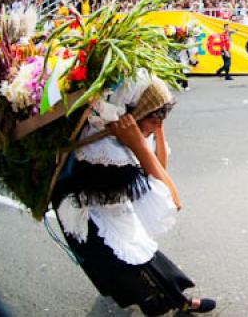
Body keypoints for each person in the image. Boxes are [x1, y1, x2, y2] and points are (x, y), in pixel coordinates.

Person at [53, 75, 216, 315]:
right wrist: (138, 144)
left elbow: (160, 164)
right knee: (138, 267)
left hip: (106, 215)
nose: (158, 125)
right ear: (133, 114)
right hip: (93, 223)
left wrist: (153, 132)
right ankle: (179, 303)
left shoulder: (126, 134)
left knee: (132, 266)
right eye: (156, 118)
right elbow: (171, 201)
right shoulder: (107, 152)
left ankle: (174, 300)